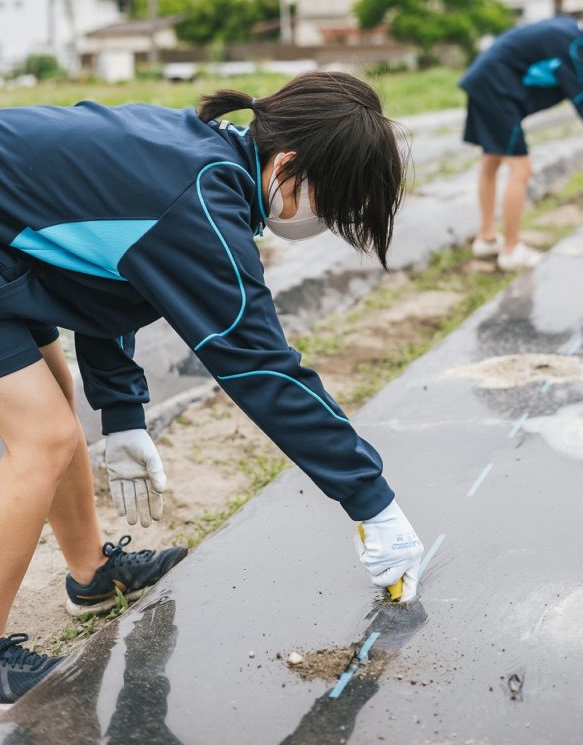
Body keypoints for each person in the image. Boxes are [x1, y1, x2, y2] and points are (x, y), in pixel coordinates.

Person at [0, 72, 423, 705]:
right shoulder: (197, 200)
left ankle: (91, 576)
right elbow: (259, 365)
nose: (326, 221)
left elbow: (103, 273)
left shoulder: (207, 157)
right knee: (45, 440)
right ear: (289, 164)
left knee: (56, 410)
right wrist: (372, 501)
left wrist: (122, 417)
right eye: (329, 202)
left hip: (13, 246)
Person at [459, 1, 583, 270]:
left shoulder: (572, 32)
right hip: (497, 88)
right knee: (521, 170)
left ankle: (486, 238)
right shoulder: (576, 50)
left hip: (486, 78)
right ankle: (510, 250)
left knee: (491, 160)